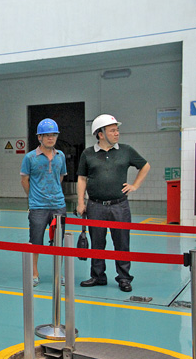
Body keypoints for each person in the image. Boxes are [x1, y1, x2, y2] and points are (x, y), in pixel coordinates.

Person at [76, 114, 150, 293]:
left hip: (120, 206)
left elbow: (145, 166)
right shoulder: (88, 154)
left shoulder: (126, 150)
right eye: (112, 130)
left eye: (117, 130)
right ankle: (98, 276)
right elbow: (82, 178)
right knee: (97, 242)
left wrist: (134, 186)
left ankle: (124, 278)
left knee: (122, 242)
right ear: (100, 134)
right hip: (95, 205)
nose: (117, 133)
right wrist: (80, 202)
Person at [20, 118, 67, 287]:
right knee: (35, 241)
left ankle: (58, 273)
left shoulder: (60, 156)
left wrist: (53, 193)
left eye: (53, 134)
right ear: (39, 137)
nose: (50, 138)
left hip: (58, 205)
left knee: (59, 242)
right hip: (38, 207)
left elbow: (60, 177)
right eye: (46, 135)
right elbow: (24, 180)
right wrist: (34, 196)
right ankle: (34, 273)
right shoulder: (30, 158)